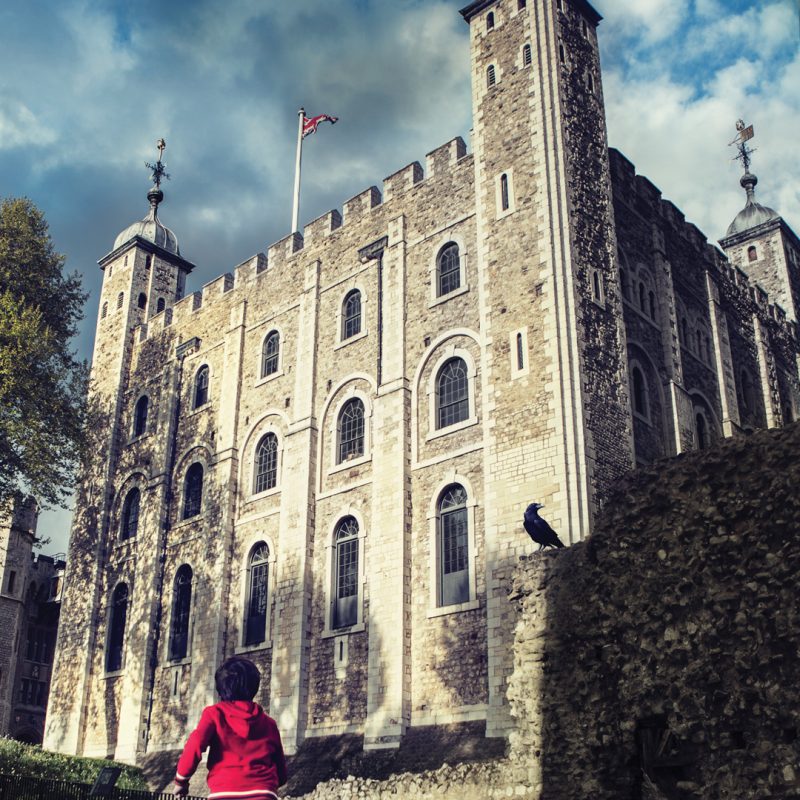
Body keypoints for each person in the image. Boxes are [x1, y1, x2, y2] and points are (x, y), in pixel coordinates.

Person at [173, 656, 287, 799]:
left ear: (220, 689)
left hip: (224, 792)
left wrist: (181, 781)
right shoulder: (269, 724)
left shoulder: (214, 714)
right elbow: (281, 772)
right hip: (264, 793)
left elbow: (195, 744)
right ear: (255, 687)